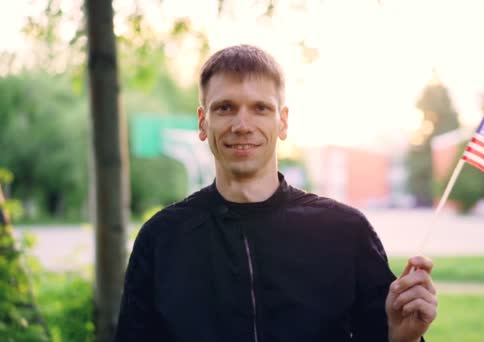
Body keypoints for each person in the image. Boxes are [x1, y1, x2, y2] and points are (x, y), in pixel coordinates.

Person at [115, 44, 437, 342]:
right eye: (225, 107)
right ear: (203, 122)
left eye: (260, 108)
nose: (242, 124)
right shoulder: (162, 239)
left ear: (282, 122)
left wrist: (402, 338)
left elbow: (384, 334)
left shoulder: (345, 231)